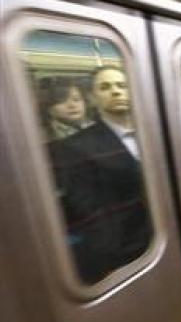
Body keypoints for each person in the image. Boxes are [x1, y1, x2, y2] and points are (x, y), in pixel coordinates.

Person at [50, 66, 152, 283]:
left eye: (122, 85)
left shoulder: (154, 131)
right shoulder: (76, 146)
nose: (115, 91)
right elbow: (87, 209)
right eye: (105, 87)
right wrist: (110, 264)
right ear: (93, 98)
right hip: (126, 254)